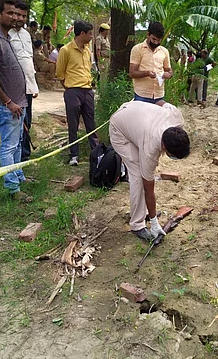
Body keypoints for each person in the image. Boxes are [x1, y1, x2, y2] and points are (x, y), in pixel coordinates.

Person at [109, 100, 190, 241]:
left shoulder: (176, 116)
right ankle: (137, 225)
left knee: (142, 172)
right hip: (119, 129)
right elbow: (149, 188)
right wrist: (154, 222)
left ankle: (144, 211)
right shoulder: (151, 148)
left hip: (132, 113)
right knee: (138, 176)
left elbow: (160, 101)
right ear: (164, 147)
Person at [0, 0, 31, 202]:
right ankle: (13, 189)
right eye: (9, 13)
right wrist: (8, 101)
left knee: (18, 144)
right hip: (8, 106)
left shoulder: (5, 37)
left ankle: (19, 176)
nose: (14, 17)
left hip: (19, 104)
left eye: (15, 13)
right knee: (9, 146)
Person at [56, 20, 99, 166]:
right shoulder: (66, 50)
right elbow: (60, 73)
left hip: (88, 91)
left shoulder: (88, 50)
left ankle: (96, 153)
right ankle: (74, 155)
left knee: (91, 124)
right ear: (82, 34)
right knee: (73, 125)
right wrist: (70, 89)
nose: (92, 36)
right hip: (73, 91)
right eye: (90, 33)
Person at [9, 1, 39, 162]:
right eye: (17, 15)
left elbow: (28, 61)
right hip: (13, 87)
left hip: (27, 86)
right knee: (16, 123)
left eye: (23, 16)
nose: (20, 18)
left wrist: (33, 86)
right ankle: (14, 159)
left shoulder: (26, 34)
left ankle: (24, 156)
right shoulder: (6, 34)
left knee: (27, 121)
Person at [129, 21, 172, 103]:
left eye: (158, 40)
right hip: (142, 95)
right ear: (148, 35)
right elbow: (132, 73)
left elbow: (169, 70)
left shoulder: (164, 51)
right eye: (154, 39)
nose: (156, 42)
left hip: (159, 95)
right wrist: (147, 73)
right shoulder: (137, 49)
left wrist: (168, 74)